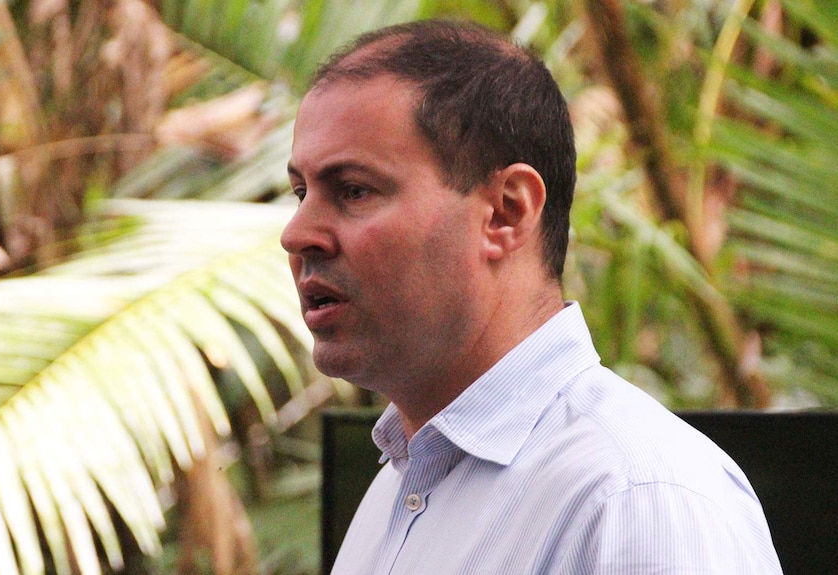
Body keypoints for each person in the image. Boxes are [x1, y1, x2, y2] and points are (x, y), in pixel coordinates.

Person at [280, 18, 783, 575]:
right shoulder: (397, 491)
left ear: (506, 212)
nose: (297, 234)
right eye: (301, 192)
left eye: (353, 190)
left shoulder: (635, 501)